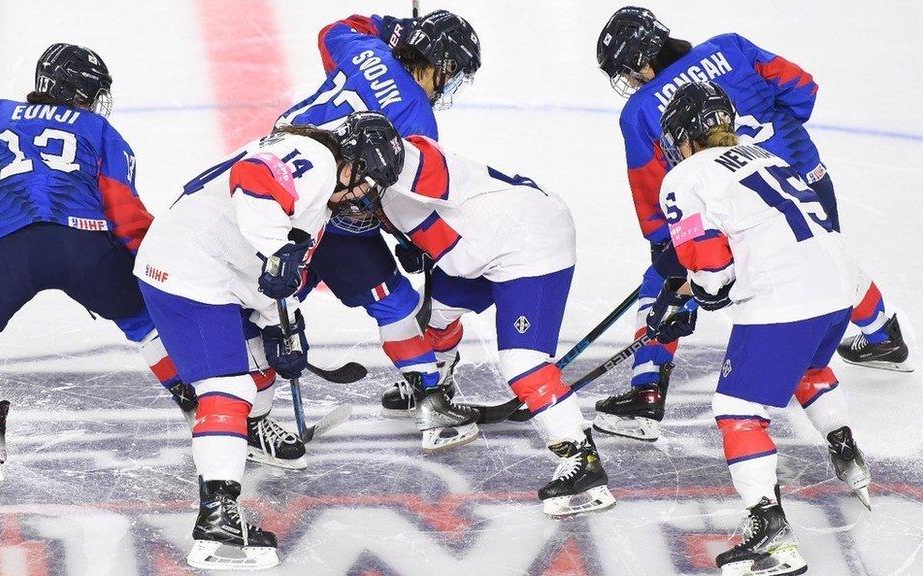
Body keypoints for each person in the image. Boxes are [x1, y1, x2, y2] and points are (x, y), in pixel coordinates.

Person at [592, 6, 911, 442]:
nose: (628, 83)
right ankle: (882, 335)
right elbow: (803, 91)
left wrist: (666, 253)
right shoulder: (732, 47)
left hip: (732, 207)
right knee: (826, 256)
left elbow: (653, 191)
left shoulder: (640, 110)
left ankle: (646, 390)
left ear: (642, 63)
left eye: (626, 73)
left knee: (662, 282)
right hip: (805, 179)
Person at [132, 112, 404, 570]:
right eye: (366, 182)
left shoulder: (322, 187)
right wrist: (278, 254)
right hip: (191, 273)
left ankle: (252, 432)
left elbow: (274, 277)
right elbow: (253, 178)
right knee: (228, 388)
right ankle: (216, 522)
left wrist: (285, 323)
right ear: (349, 163)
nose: (364, 197)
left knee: (262, 352)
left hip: (212, 273)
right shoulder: (318, 158)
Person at [0, 43, 188, 486]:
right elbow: (126, 214)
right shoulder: (99, 130)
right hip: (85, 245)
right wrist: (157, 266)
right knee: (144, 321)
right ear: (81, 92)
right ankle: (203, 407)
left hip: (11, 246)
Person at [649, 81, 871, 576]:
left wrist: (699, 292)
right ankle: (845, 448)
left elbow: (709, 262)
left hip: (784, 296)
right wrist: (697, 288)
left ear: (683, 137)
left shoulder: (685, 175)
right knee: (808, 367)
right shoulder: (766, 157)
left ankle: (768, 532)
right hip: (839, 287)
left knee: (738, 410)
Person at [374, 134, 616, 517]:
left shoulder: (396, 200)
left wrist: (422, 242)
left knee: (523, 364)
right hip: (502, 227)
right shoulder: (409, 149)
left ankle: (582, 460)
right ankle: (438, 384)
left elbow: (460, 263)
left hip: (530, 247)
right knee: (436, 313)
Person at [277, 10, 481, 418]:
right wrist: (410, 238)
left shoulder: (362, 48)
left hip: (271, 176)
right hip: (326, 213)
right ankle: (432, 401)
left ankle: (236, 394)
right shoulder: (418, 120)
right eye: (454, 72)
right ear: (441, 63)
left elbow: (332, 29)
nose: (452, 85)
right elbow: (394, 194)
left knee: (272, 303)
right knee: (396, 304)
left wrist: (393, 30)